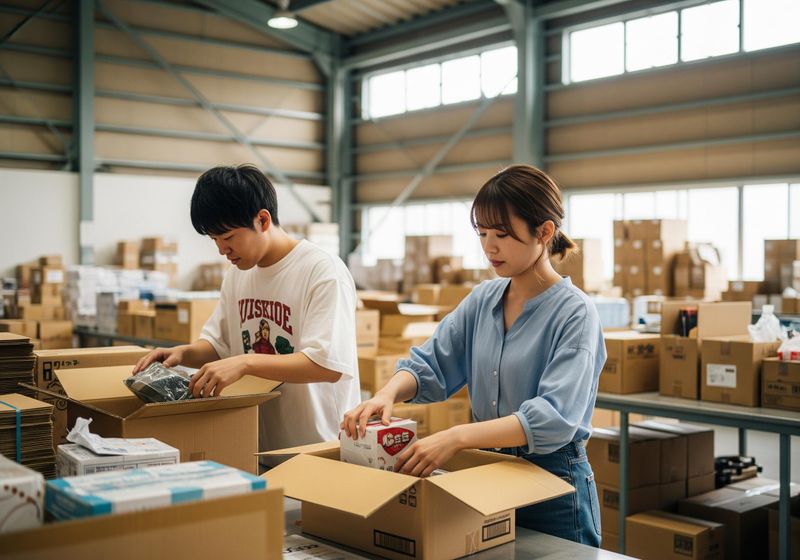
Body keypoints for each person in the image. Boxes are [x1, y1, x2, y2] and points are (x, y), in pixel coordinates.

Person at [341, 164, 605, 547]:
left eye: (502, 234)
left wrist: (457, 437)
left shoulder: (575, 313)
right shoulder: (483, 300)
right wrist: (387, 394)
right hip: (488, 469)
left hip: (552, 482)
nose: (489, 247)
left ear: (544, 232)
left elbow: (553, 417)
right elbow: (432, 363)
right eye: (482, 233)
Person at [134, 164, 361, 465]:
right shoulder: (238, 274)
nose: (221, 250)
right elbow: (220, 345)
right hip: (261, 449)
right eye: (214, 239)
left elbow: (327, 365)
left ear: (263, 219)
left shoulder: (322, 271)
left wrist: (244, 363)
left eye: (227, 237)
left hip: (321, 451)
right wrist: (181, 353)